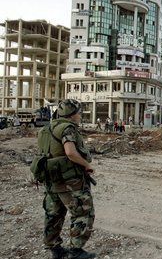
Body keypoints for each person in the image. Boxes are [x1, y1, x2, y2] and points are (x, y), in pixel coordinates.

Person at [37, 99, 96, 259]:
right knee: (83, 212)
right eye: (78, 113)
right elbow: (70, 152)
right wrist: (86, 165)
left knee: (53, 213)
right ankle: (76, 250)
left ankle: (54, 247)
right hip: (69, 181)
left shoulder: (46, 129)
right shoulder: (67, 128)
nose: (80, 116)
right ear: (72, 115)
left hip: (51, 180)